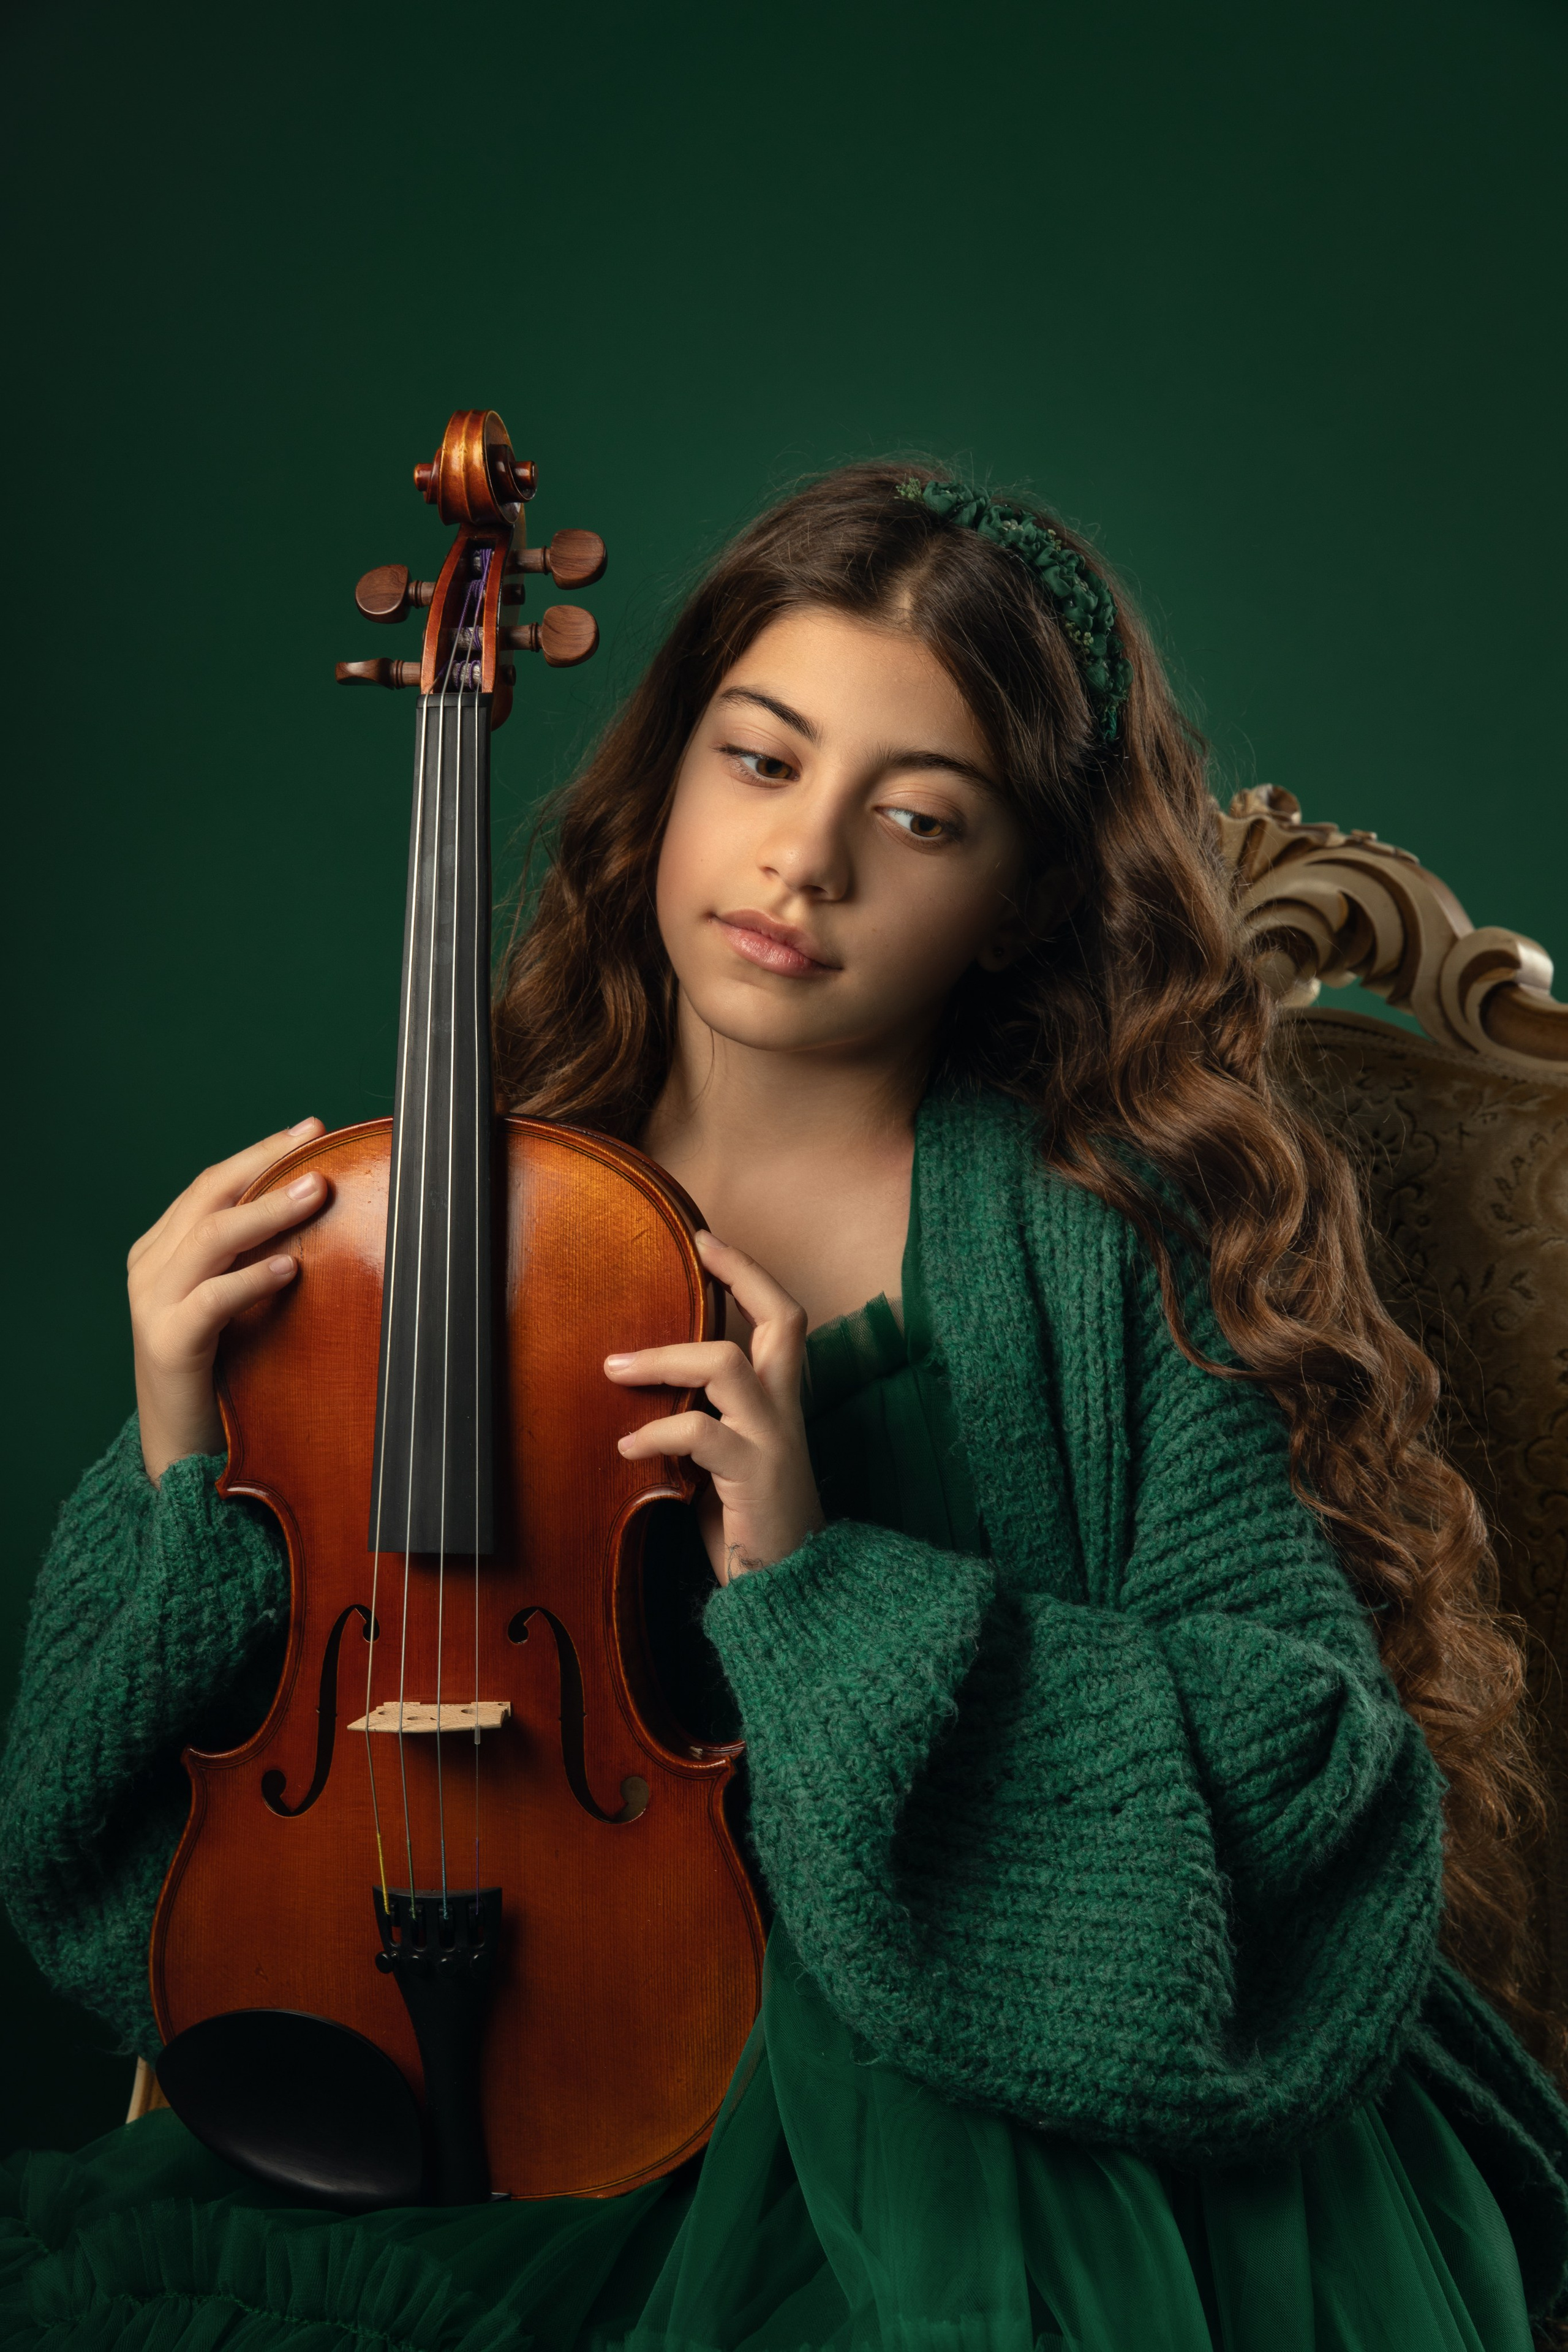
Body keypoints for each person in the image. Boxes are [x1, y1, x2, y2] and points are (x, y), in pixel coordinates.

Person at [2, 464, 1566, 2352]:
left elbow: (1310, 1766)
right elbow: (126, 1859)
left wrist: (825, 1583)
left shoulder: (1097, 1248)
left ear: (1017, 904)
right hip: (536, 2044)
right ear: (666, 775)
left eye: (919, 818)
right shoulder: (425, 1238)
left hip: (972, 2087)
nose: (807, 863)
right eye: (761, 762)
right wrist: (187, 1444)